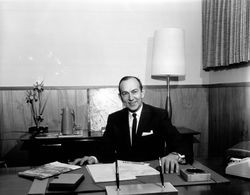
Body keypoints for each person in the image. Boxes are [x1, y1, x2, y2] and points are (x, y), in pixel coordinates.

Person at [72, 76, 187, 173]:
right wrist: (93, 158)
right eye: (125, 93)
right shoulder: (114, 118)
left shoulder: (159, 115)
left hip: (153, 174)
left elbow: (180, 143)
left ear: (142, 93)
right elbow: (106, 149)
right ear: (120, 97)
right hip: (123, 175)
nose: (131, 98)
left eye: (134, 92)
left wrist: (174, 155)